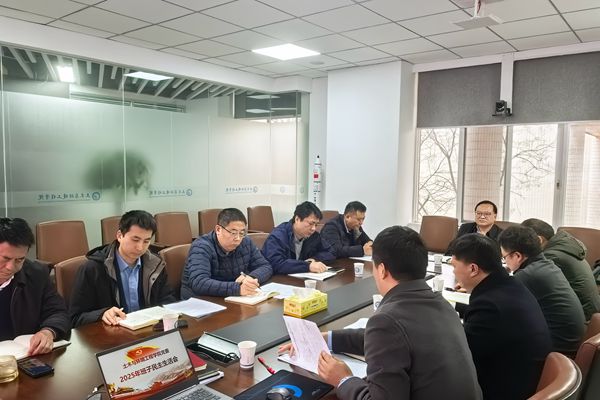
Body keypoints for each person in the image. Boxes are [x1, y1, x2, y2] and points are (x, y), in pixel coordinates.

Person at [280, 226, 482, 400]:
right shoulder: (441, 303)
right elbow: (388, 339)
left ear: (382, 270)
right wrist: (328, 338)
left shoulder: (387, 321)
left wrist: (343, 379)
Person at [448, 234, 551, 400]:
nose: (453, 271)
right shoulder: (509, 285)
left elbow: (461, 355)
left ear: (473, 269)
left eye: (454, 265)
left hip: (505, 389)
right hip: (522, 375)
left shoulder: (489, 305)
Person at [70, 210, 176, 328]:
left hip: (148, 330)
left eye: (146, 241)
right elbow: (75, 318)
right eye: (135, 240)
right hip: (112, 333)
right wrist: (101, 314)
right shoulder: (93, 269)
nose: (140, 247)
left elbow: (168, 302)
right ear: (119, 236)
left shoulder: (156, 265)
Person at [498, 226, 585, 356]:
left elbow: (499, 307)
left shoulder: (527, 275)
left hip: (556, 351)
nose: (505, 261)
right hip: (569, 343)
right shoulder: (546, 265)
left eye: (504, 257)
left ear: (517, 256)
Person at [0, 218, 71, 356]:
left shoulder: (36, 274)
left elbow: (58, 312)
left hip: (25, 357)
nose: (10, 267)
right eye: (5, 258)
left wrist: (48, 332)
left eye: (19, 260)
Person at [180, 208, 272, 299]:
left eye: (242, 233)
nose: (238, 238)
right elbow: (199, 283)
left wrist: (250, 278)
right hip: (200, 300)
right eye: (233, 233)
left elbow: (265, 266)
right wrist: (237, 288)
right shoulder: (201, 247)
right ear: (218, 229)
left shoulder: (245, 242)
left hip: (230, 298)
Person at [522, 218, 600, 321]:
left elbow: (528, 282)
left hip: (581, 317)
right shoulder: (563, 247)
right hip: (588, 310)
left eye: (523, 241)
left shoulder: (551, 256)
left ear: (539, 240)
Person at [262, 201, 335, 275]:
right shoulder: (278, 236)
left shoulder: (313, 236)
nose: (313, 228)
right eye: (311, 224)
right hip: (280, 279)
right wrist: (307, 266)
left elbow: (330, 252)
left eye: (316, 225)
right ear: (297, 219)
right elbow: (276, 263)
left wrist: (314, 259)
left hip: (301, 277)